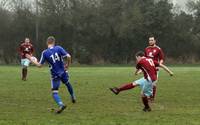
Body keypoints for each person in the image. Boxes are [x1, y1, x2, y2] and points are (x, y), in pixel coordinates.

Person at [26, 36, 76, 114]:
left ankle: (61, 104)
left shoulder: (45, 52)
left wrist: (31, 60)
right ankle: (73, 96)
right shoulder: (59, 48)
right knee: (67, 83)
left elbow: (39, 65)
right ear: (54, 42)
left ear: (47, 43)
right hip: (63, 72)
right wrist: (68, 65)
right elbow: (69, 56)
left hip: (55, 74)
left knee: (55, 92)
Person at [144, 36, 164, 101]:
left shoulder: (158, 49)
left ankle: (152, 97)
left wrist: (159, 65)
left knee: (154, 83)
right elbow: (144, 59)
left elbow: (161, 59)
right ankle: (148, 95)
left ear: (155, 41)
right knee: (148, 82)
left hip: (155, 69)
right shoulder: (146, 49)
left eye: (152, 40)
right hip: (147, 69)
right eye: (149, 40)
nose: (150, 41)